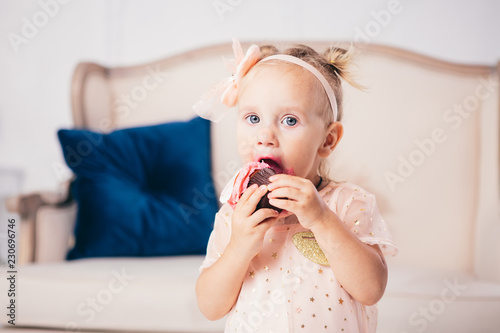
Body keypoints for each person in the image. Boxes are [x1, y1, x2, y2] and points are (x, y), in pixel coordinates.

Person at [195, 39, 397, 332]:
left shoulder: (348, 202)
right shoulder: (234, 215)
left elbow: (371, 289)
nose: (265, 135)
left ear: (327, 140)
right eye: (253, 118)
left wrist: (321, 219)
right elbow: (210, 307)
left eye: (289, 120)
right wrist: (239, 247)